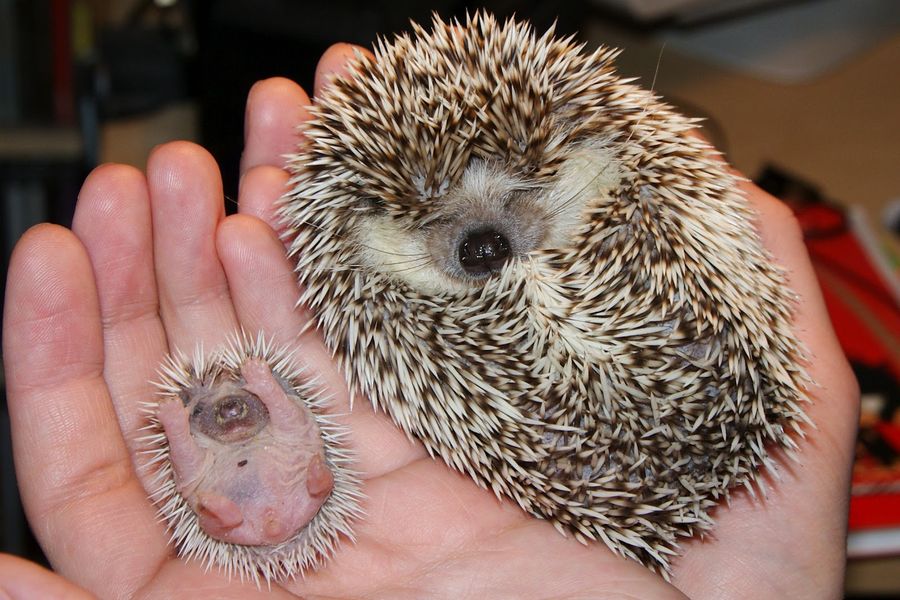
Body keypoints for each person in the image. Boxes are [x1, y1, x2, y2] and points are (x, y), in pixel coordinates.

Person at [1, 43, 858, 599]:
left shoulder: (603, 182)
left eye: (516, 204)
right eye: (452, 234)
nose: (490, 247)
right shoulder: (375, 286)